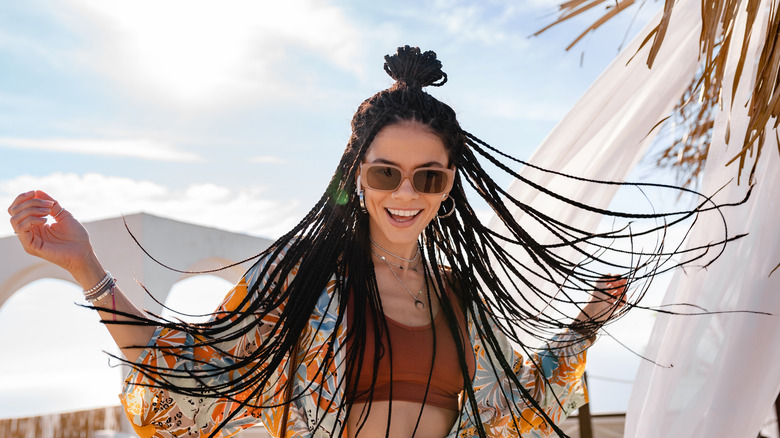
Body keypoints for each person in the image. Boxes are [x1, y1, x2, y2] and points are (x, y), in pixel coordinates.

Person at [10, 46, 734, 438]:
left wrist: (586, 324)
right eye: (387, 173)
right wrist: (87, 267)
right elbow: (190, 375)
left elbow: (517, 400)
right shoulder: (307, 287)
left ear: (450, 186)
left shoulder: (461, 297)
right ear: (357, 175)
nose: (407, 195)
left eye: (430, 178)